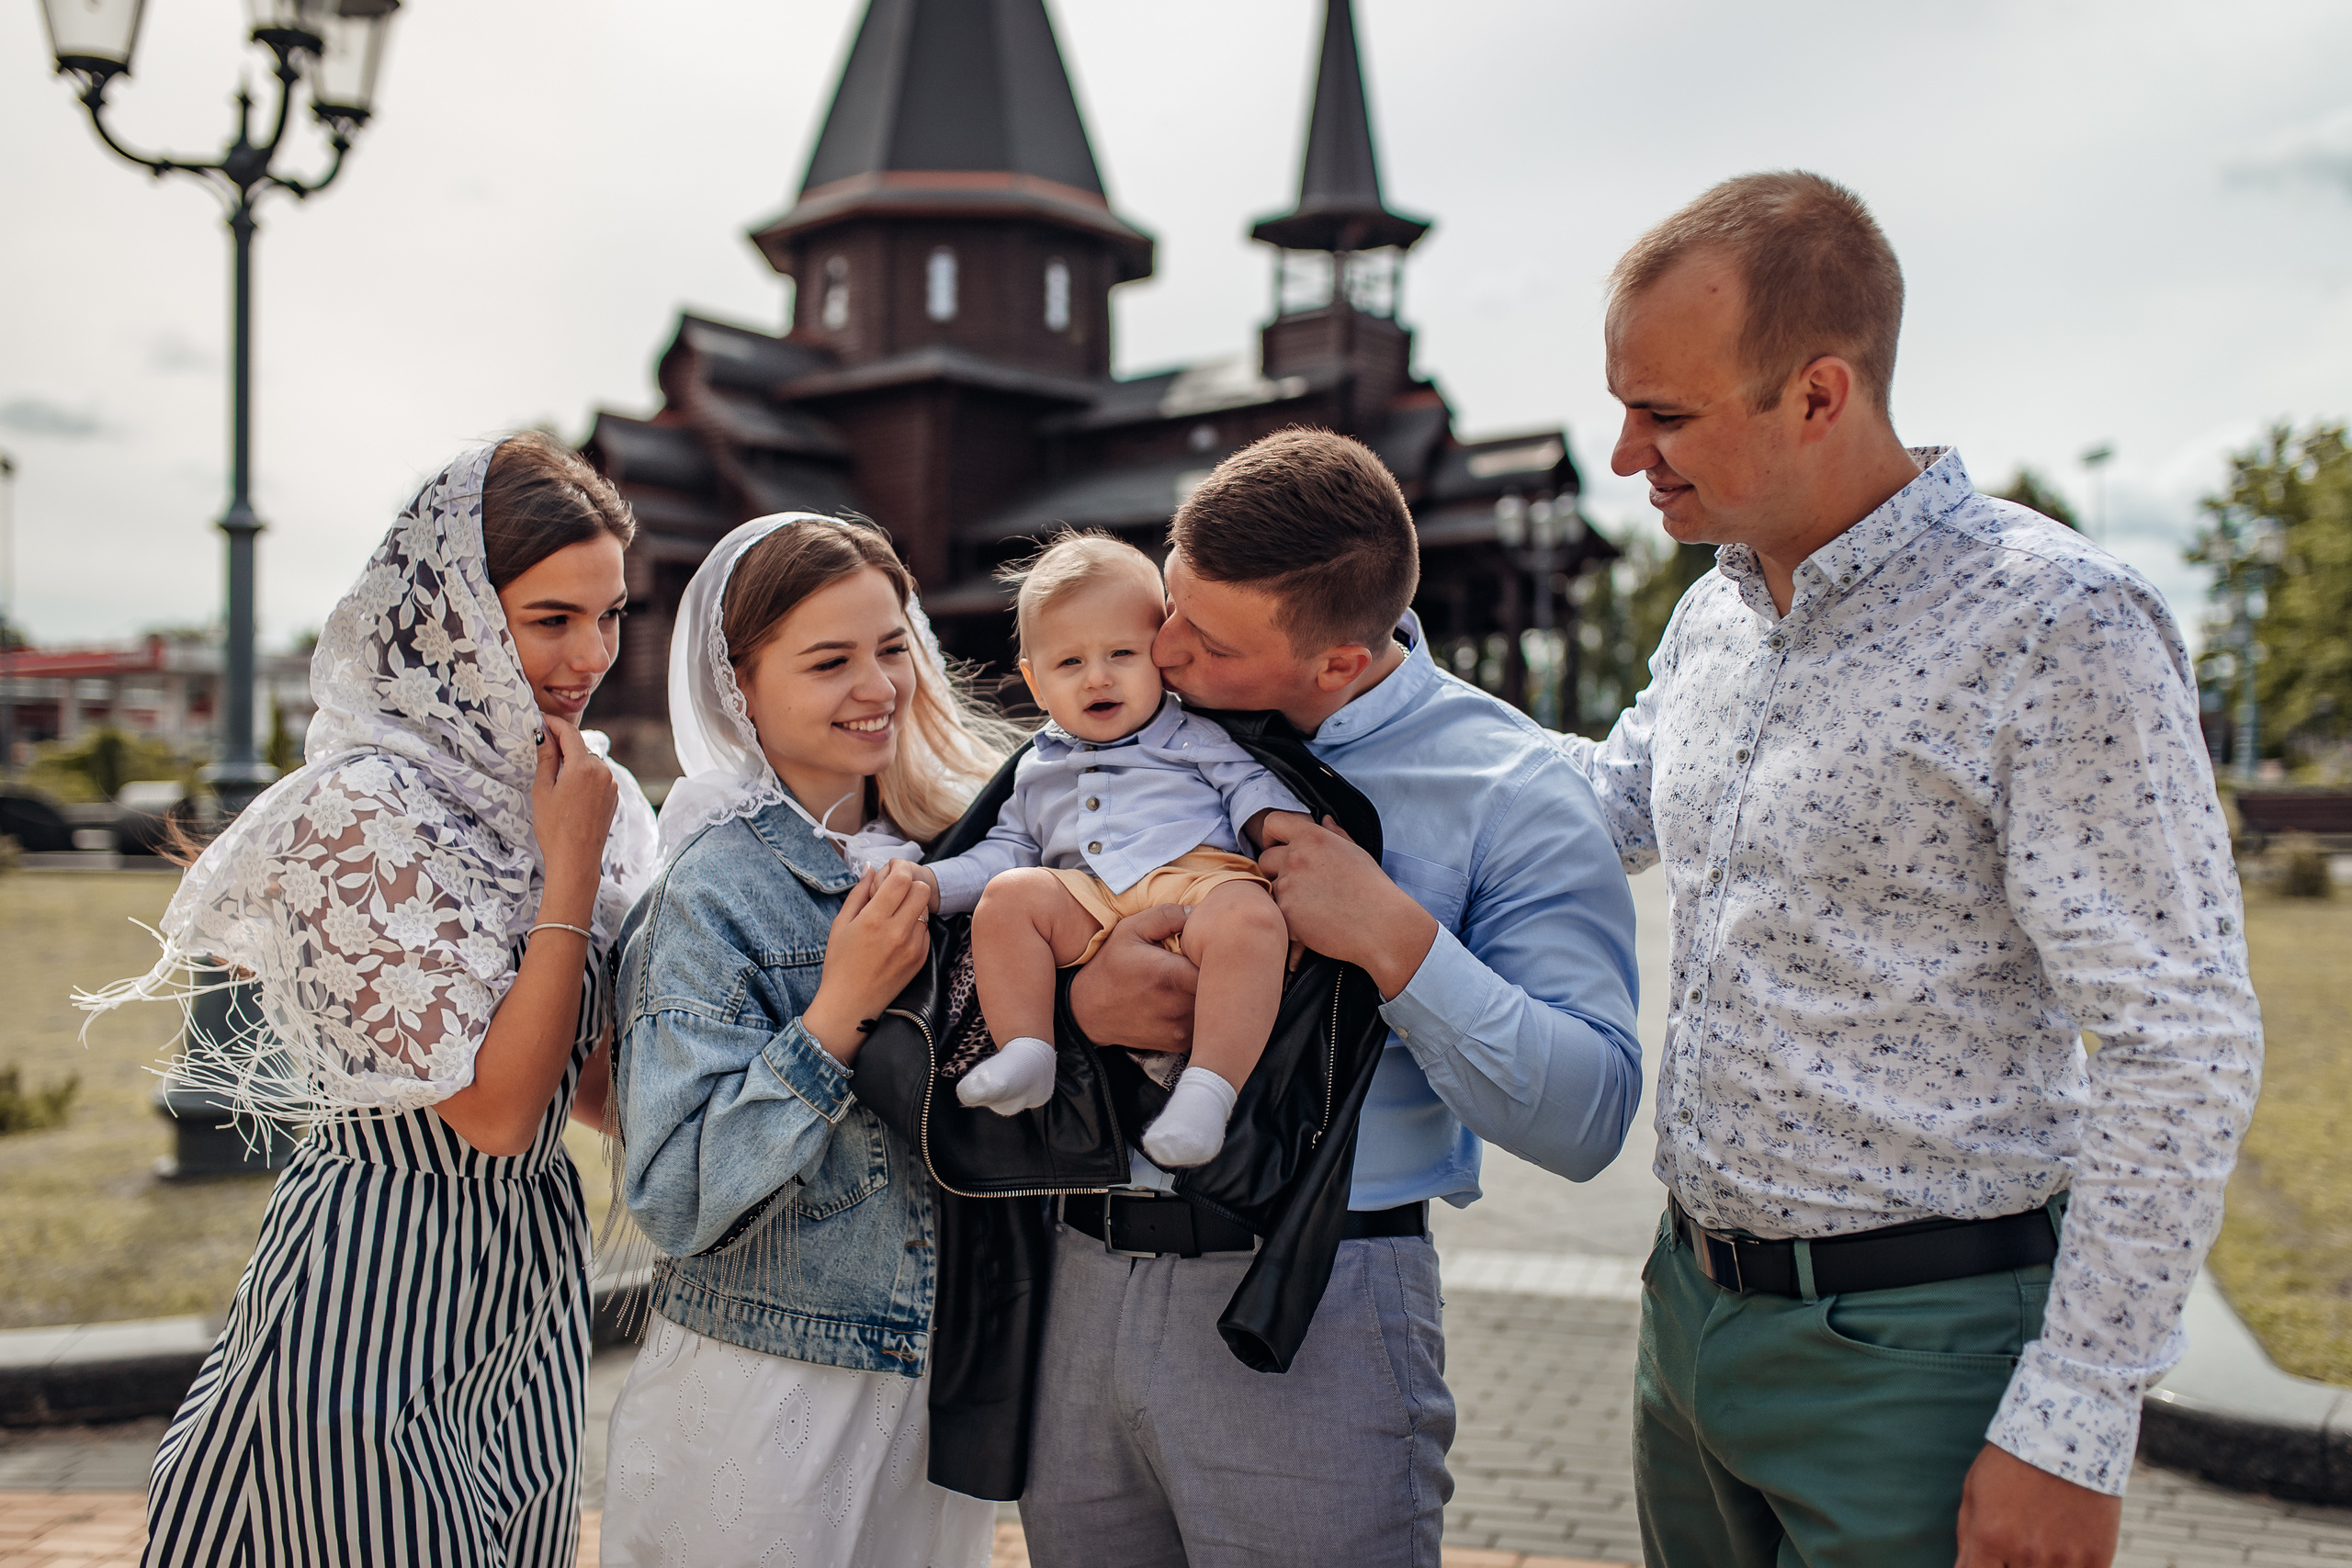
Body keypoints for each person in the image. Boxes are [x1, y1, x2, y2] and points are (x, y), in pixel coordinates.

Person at [1559, 171, 2263, 1568]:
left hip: (1926, 1356)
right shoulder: (1718, 610)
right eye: (1626, 405)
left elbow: (2178, 1040)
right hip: (1689, 1320)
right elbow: (1608, 805)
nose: (1628, 452)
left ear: (1819, 394)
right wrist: (1360, 706)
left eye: (1668, 413)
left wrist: (2073, 1415)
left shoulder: (2059, 623)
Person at [1018, 428, 1645, 1568]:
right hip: (1077, 1288)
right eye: (1172, 599)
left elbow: (1591, 1115)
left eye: (1204, 640)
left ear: (1339, 663)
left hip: (1316, 1306)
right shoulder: (1121, 713)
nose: (1158, 647)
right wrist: (1072, 1003)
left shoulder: (1510, 791)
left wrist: (1396, 942)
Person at [77, 434, 661, 1567]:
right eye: (551, 619)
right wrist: (571, 871)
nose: (591, 654)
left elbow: (584, 1094)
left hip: (529, 1283)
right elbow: (491, 1114)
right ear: (451, 616)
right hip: (372, 1283)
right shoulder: (354, 810)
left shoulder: (573, 795)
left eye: (610, 615)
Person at [600, 513, 1020, 1568]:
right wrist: (833, 1017)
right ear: (738, 688)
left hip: (934, 1381)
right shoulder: (713, 891)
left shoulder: (965, 854)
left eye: (892, 647)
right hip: (770, 1384)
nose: (877, 685)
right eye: (831, 661)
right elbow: (676, 1196)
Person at [915, 529, 1306, 1168]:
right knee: (1009, 897)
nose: (1097, 676)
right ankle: (1028, 1049)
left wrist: (1288, 831)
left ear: (1162, 656)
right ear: (1035, 683)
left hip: (1199, 888)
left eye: (1122, 653)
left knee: (1251, 918)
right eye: (1070, 663)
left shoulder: (1191, 734)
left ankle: (1210, 1089)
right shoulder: (1037, 768)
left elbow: (1251, 791)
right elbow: (1007, 848)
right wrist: (932, 883)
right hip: (1090, 904)